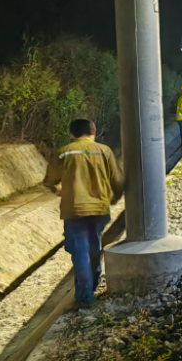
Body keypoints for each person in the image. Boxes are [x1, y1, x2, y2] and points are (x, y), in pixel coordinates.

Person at [43, 119, 125, 308]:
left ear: (72, 134)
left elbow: (50, 181)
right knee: (94, 246)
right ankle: (94, 282)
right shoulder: (104, 151)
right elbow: (118, 182)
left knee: (79, 251)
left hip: (74, 210)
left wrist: (57, 190)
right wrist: (112, 200)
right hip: (98, 209)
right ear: (93, 131)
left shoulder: (64, 152)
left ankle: (85, 297)